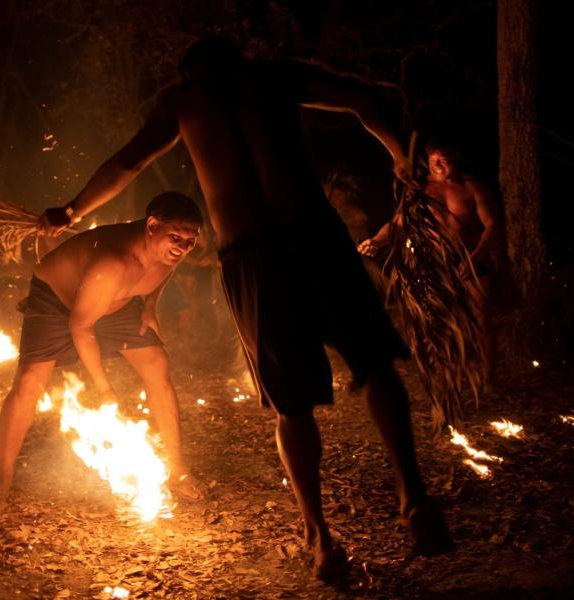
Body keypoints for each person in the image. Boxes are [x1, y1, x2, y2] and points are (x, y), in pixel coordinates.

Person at [38, 39, 453, 580]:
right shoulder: (276, 76)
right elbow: (361, 98)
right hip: (315, 236)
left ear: (190, 68)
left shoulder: (186, 99)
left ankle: (320, 537)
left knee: (291, 406)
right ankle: (412, 494)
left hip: (255, 254)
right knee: (374, 366)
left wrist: (71, 210)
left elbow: (129, 161)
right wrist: (401, 155)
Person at [0, 192, 207, 508]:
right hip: (57, 300)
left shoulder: (168, 252)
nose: (182, 247)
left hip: (115, 304)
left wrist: (149, 307)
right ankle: (1, 478)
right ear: (151, 226)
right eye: (176, 237)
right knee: (28, 384)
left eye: (190, 241)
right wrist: (104, 389)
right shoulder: (113, 263)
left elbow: (163, 273)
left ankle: (178, 470)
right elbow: (81, 328)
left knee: (157, 362)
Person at [359, 138, 501, 383]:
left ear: (455, 157)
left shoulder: (473, 188)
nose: (437, 164)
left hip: (473, 260)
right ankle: (444, 377)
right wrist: (377, 241)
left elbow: (493, 225)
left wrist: (476, 256)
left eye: (443, 159)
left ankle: (489, 379)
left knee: (481, 319)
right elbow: (397, 224)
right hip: (433, 265)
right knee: (435, 321)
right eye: (433, 159)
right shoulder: (419, 190)